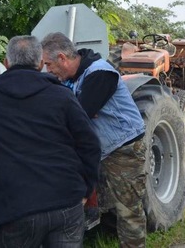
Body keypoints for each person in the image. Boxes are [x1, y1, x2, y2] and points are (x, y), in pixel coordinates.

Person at [0, 35, 101, 247]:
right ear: (40, 64)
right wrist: (86, 188)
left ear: (6, 63)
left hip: (16, 208)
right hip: (66, 202)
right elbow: (90, 144)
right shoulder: (62, 95)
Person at [41, 32, 147, 247]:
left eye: (49, 64)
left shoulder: (100, 73)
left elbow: (77, 119)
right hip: (103, 150)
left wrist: (77, 111)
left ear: (62, 58)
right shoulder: (76, 78)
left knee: (128, 211)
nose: (48, 70)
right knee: (109, 206)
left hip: (123, 151)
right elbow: (77, 114)